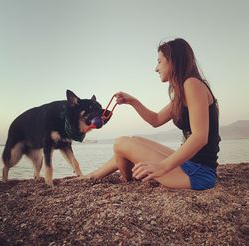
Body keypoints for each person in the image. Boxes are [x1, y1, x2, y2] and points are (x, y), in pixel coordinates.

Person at [85, 38, 220, 190]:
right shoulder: (183, 91)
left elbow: (200, 137)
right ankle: (94, 175)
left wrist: (163, 166)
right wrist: (133, 101)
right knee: (134, 140)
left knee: (120, 143)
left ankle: (126, 180)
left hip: (198, 174)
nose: (156, 68)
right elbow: (156, 120)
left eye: (159, 61)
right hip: (189, 165)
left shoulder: (192, 84)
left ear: (174, 61)